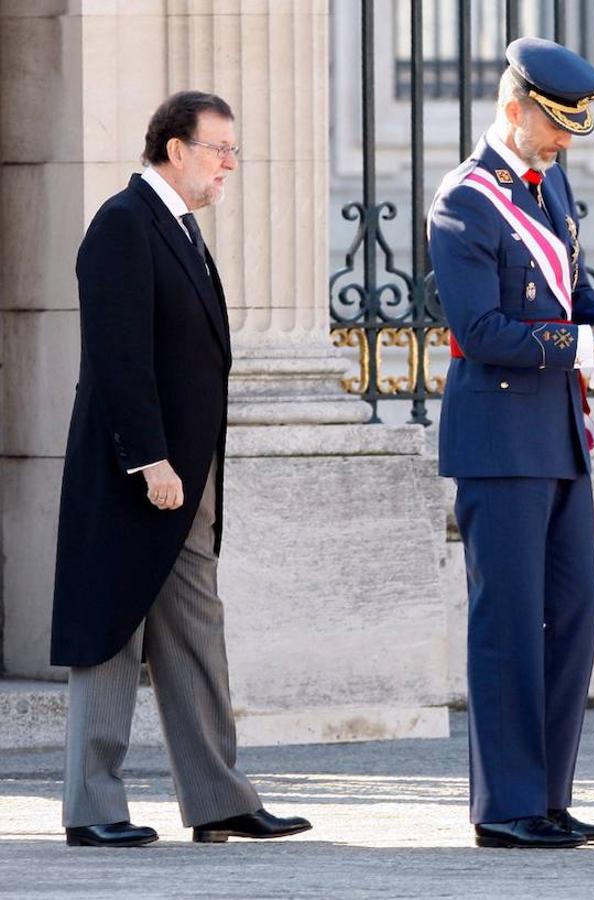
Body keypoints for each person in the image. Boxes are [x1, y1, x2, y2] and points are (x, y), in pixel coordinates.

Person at [51, 92, 311, 848]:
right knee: (110, 630)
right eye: (218, 147)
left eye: (233, 149)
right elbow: (116, 352)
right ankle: (92, 807)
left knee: (197, 631)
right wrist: (149, 458)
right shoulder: (123, 224)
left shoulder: (179, 229)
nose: (230, 162)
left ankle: (218, 797)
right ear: (173, 148)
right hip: (136, 474)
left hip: (186, 479)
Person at [428, 37, 594, 849]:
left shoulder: (548, 184)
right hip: (496, 437)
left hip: (556, 434)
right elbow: (481, 328)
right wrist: (588, 345)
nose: (564, 142)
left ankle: (548, 796)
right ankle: (505, 806)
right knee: (508, 625)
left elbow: (572, 285)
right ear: (515, 109)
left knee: (571, 616)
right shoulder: (464, 200)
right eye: (555, 126)